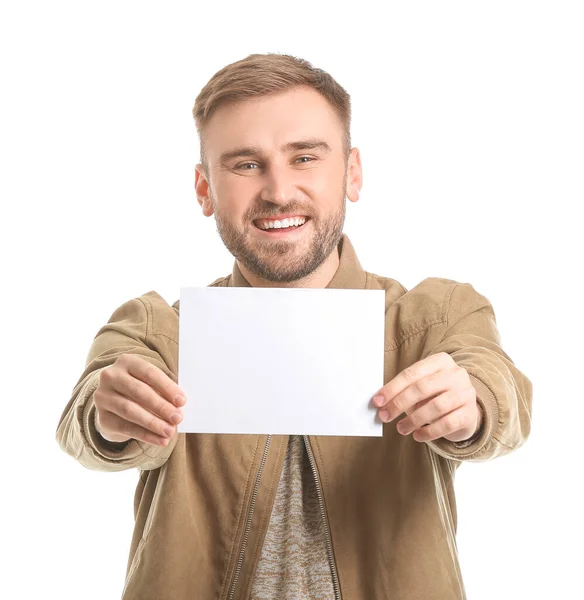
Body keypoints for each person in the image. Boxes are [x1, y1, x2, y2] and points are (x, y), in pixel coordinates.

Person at [56, 53, 533, 600]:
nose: (279, 191)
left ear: (352, 173)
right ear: (204, 189)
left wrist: (473, 404)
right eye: (245, 164)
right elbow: (83, 416)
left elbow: (502, 392)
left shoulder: (436, 316)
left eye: (304, 157)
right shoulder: (157, 329)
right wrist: (108, 417)